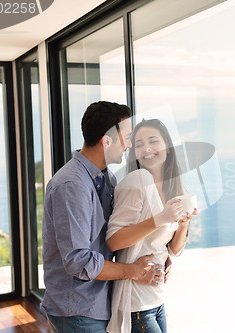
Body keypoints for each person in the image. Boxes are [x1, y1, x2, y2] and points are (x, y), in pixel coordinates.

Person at [41, 101, 163, 333]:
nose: (129, 144)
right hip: (77, 310)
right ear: (106, 141)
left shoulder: (106, 179)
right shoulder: (72, 185)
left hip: (96, 304)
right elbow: (79, 262)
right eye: (126, 137)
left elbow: (114, 237)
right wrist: (134, 271)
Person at [106, 119, 197, 333]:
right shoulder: (137, 180)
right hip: (135, 303)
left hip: (156, 300)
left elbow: (173, 251)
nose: (146, 148)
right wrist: (162, 218)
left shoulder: (171, 186)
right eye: (138, 144)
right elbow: (113, 241)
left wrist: (183, 223)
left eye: (153, 141)